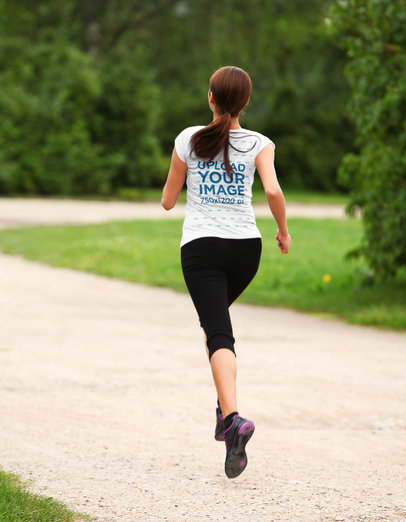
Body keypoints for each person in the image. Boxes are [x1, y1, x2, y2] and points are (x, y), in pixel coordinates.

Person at [161, 66, 291, 479]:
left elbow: (167, 201)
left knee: (217, 332)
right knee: (216, 328)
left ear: (211, 98)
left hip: (201, 249)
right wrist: (283, 231)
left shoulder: (188, 139)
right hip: (245, 251)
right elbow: (271, 190)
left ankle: (233, 419)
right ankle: (223, 407)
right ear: (246, 103)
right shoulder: (260, 143)